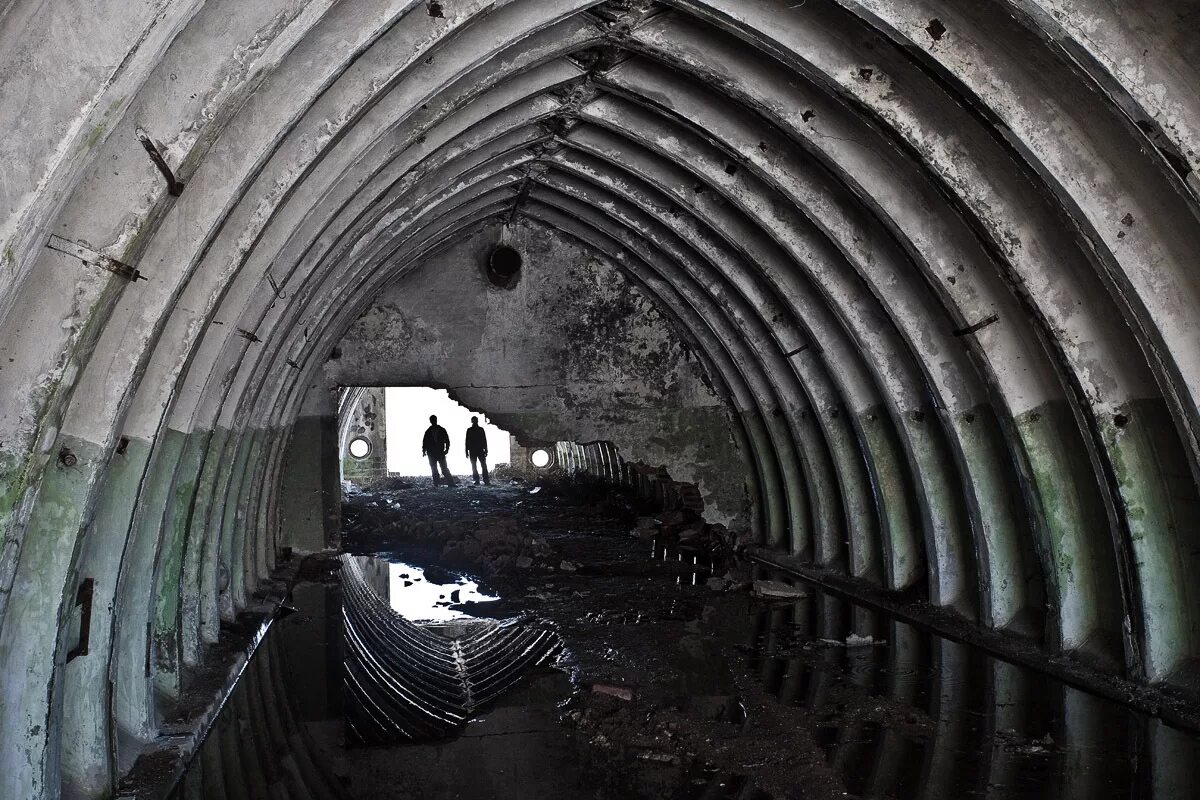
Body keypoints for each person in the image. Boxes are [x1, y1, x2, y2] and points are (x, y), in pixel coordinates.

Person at [421, 414, 453, 485]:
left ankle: (449, 483)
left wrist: (447, 449)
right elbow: (425, 442)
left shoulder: (439, 430)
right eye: (432, 420)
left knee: (442, 468)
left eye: (433, 420)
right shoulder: (429, 431)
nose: (433, 421)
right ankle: (437, 483)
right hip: (433, 453)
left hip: (439, 452)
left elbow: (447, 440)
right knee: (435, 469)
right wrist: (424, 451)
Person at [465, 416, 489, 485]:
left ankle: (479, 480)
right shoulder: (479, 429)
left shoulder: (470, 430)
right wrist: (486, 449)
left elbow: (484, 440)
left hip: (474, 450)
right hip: (478, 449)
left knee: (476, 465)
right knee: (480, 465)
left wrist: (466, 451)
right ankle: (484, 480)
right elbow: (467, 441)